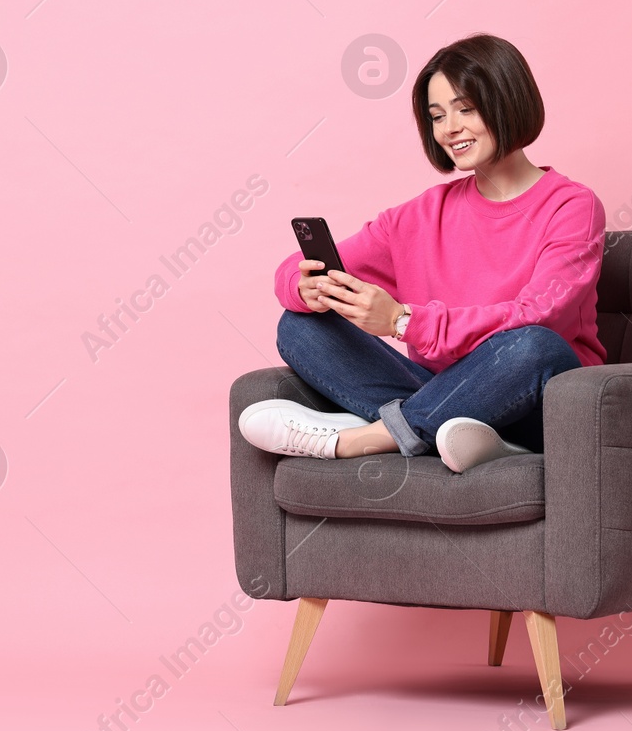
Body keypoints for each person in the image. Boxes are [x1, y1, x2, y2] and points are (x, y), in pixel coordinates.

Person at [239, 34, 607, 472]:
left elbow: (537, 315)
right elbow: (290, 272)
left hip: (533, 400)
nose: (449, 128)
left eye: (465, 108)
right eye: (437, 116)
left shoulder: (572, 207)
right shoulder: (419, 216)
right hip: (443, 393)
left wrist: (401, 321)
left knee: (534, 346)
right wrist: (306, 287)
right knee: (301, 327)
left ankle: (364, 439)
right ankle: (453, 435)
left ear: (509, 100)